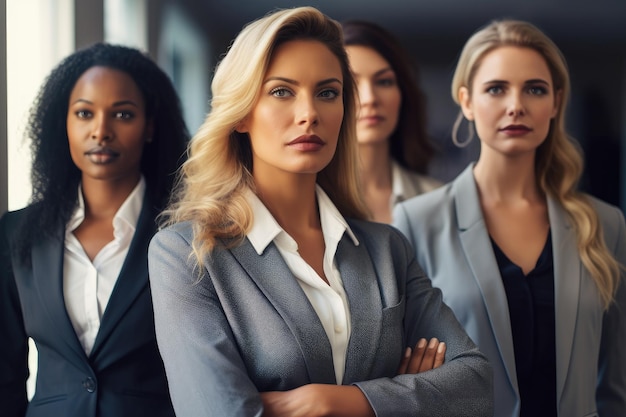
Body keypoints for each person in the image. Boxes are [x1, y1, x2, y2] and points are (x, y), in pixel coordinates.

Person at [148, 6, 492, 417]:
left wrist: (344, 402)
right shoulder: (185, 254)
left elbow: (475, 385)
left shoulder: (387, 249)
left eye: (327, 92)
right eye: (281, 91)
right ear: (241, 113)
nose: (309, 113)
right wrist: (405, 393)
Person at [393, 19, 626, 417]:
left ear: (556, 101)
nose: (516, 105)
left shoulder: (605, 223)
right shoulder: (417, 221)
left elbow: (615, 386)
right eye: (496, 88)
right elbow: (400, 376)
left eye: (534, 89)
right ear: (466, 101)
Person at [0, 43, 189, 416]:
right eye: (84, 113)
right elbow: (5, 373)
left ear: (149, 126)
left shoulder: (185, 232)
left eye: (123, 114)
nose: (101, 131)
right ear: (65, 123)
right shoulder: (17, 233)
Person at [341, 20, 442, 223]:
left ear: (402, 94)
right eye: (351, 83)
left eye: (384, 81)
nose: (370, 98)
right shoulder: (303, 200)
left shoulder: (440, 200)